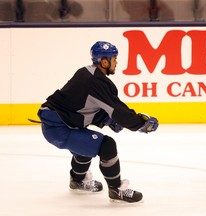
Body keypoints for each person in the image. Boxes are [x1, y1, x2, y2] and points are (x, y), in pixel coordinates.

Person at [37, 41, 158, 203]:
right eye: (114, 59)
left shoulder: (86, 72)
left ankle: (77, 181)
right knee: (107, 145)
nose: (117, 63)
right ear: (105, 62)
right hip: (59, 128)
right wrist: (140, 124)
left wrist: (106, 120)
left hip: (57, 123)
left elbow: (81, 106)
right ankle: (116, 190)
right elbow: (117, 110)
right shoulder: (97, 82)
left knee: (86, 145)